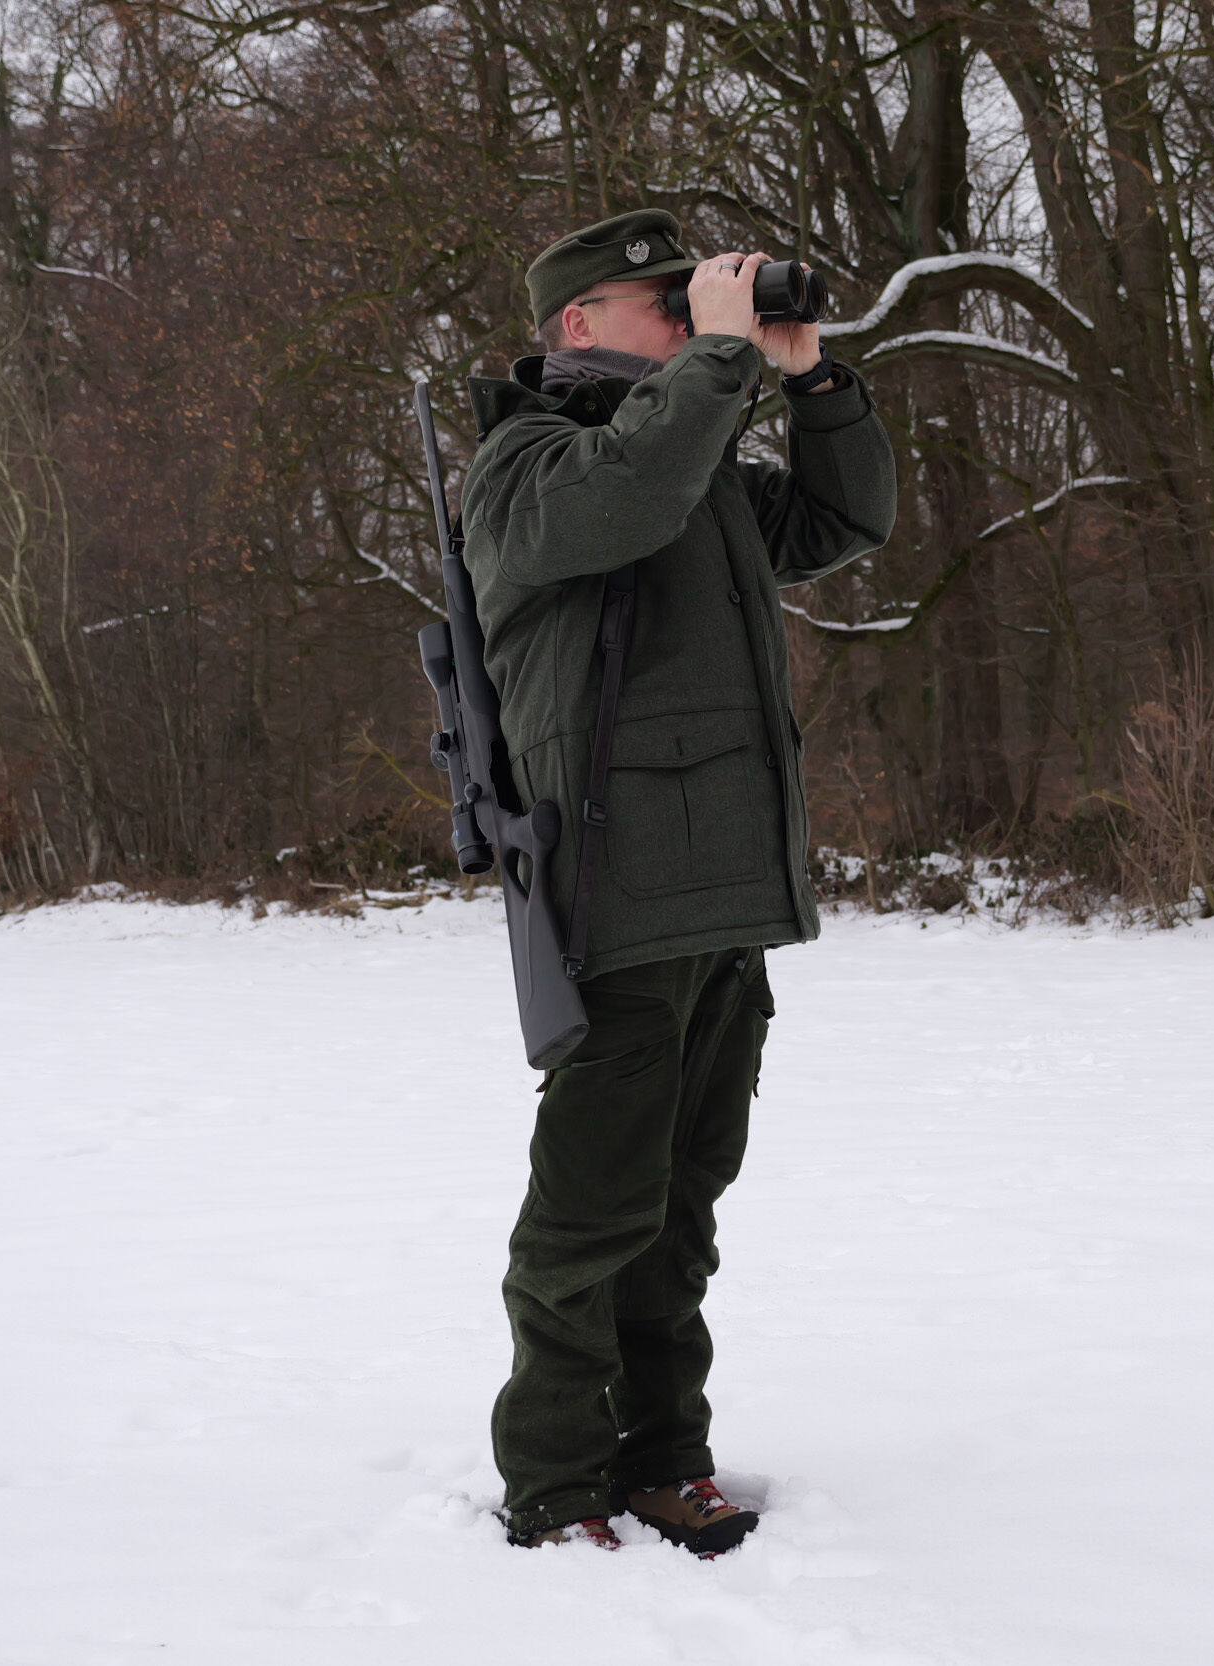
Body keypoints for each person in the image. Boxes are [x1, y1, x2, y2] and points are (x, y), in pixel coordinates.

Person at [459, 209, 896, 1554]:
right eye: (666, 301)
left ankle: (663, 1458)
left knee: (679, 1211)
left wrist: (812, 380)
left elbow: (842, 518)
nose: (695, 315)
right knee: (591, 1213)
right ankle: (554, 1481)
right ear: (577, 321)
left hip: (724, 895)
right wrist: (716, 363)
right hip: (617, 890)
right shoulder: (527, 464)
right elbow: (626, 496)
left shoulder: (689, 457)